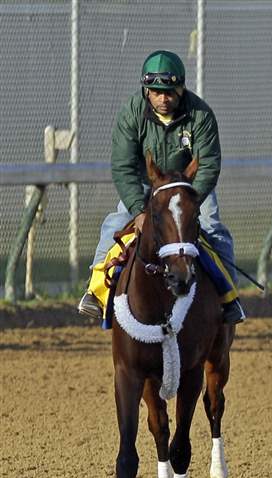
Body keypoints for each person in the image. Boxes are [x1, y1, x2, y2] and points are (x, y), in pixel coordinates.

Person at [78, 50, 244, 323]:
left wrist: (189, 202)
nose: (163, 99)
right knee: (114, 224)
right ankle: (95, 293)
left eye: (169, 92)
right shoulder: (131, 113)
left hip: (189, 187)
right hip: (147, 185)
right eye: (156, 92)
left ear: (181, 89)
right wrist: (137, 210)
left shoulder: (200, 114)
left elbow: (208, 165)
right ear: (146, 90)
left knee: (213, 227)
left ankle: (229, 298)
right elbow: (123, 167)